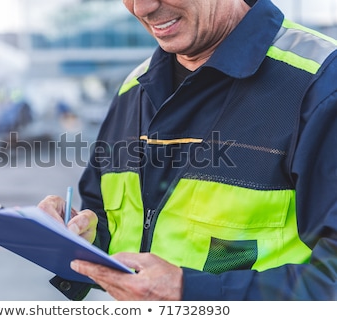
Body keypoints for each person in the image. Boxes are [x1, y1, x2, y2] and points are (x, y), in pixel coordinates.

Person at [38, 0, 337, 300]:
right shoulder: (133, 90)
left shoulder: (322, 83)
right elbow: (115, 221)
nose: (142, 8)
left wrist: (191, 293)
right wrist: (80, 237)